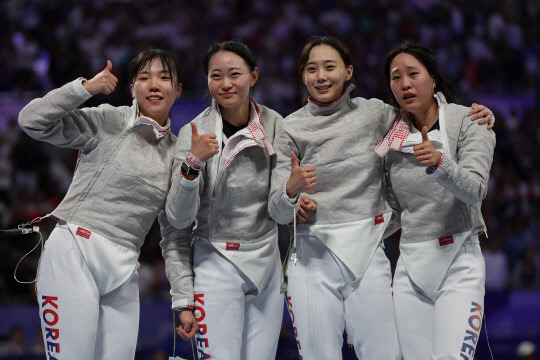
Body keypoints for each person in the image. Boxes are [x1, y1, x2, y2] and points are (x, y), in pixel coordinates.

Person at [268, 35, 493, 360]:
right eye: (311, 69)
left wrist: (484, 117)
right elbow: (277, 210)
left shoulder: (378, 115)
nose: (320, 76)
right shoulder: (288, 129)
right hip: (314, 255)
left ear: (348, 72)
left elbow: (428, 115)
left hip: (370, 254)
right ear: (302, 75)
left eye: (329, 67)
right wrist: (290, 193)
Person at [18, 48, 198, 360]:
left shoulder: (179, 152)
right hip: (75, 252)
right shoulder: (109, 120)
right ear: (132, 88)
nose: (154, 85)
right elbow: (31, 121)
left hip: (124, 266)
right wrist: (83, 88)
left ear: (178, 89)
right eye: (144, 78)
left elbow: (176, 235)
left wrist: (184, 299)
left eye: (164, 78)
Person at [164, 40, 302, 360]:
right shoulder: (193, 132)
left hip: (266, 264)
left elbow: (280, 215)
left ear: (253, 76)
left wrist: (291, 192)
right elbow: (179, 219)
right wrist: (191, 166)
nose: (225, 84)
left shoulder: (276, 125)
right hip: (215, 263)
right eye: (216, 76)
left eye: (234, 74)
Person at [376, 40, 496, 359]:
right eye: (395, 77)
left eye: (413, 74)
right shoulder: (389, 140)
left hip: (459, 260)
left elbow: (475, 190)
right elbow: (395, 212)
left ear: (432, 77)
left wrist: (441, 163)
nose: (405, 84)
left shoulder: (471, 121)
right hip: (410, 268)